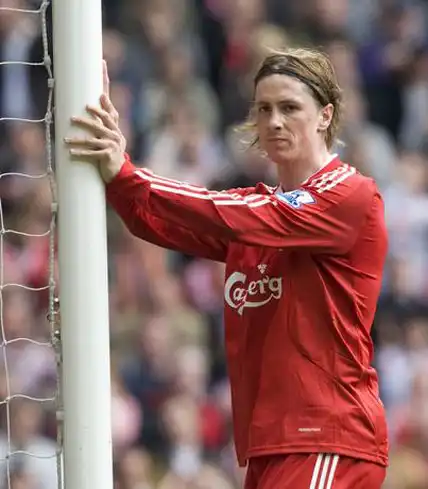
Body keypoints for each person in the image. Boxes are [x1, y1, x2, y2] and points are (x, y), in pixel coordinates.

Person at [65, 49, 388, 489]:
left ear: (324, 115)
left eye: (290, 107)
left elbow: (233, 213)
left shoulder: (349, 194)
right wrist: (116, 172)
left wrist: (129, 173)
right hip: (273, 442)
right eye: (264, 109)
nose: (274, 121)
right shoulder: (257, 212)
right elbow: (155, 221)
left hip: (328, 435)